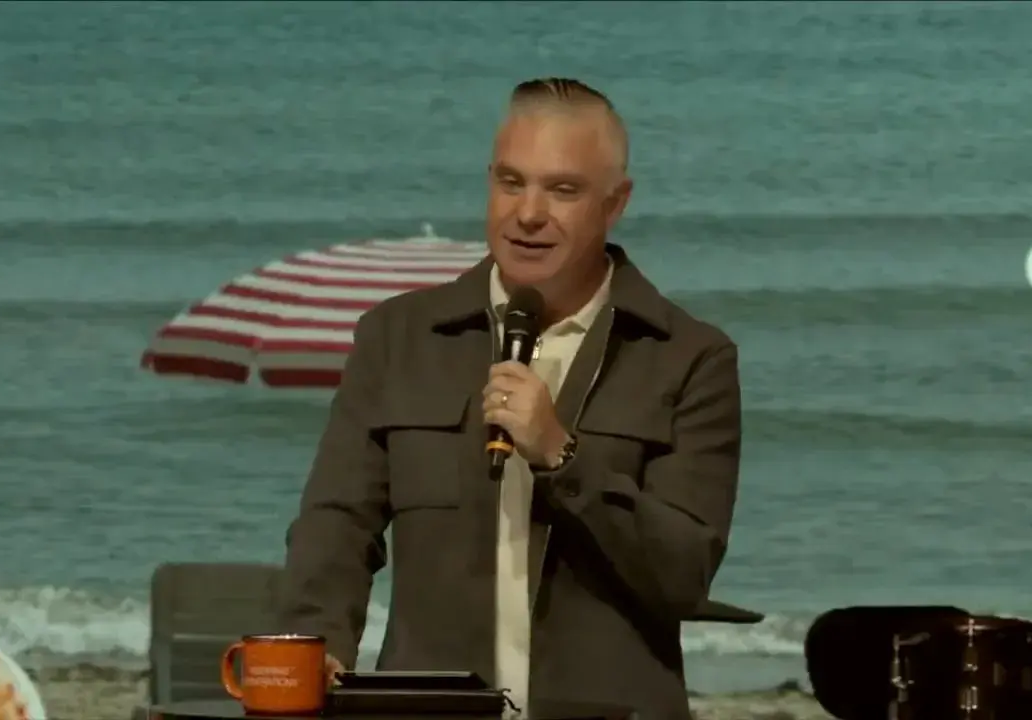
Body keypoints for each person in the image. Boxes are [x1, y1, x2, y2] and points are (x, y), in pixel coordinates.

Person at [279, 77, 742, 719]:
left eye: (563, 190)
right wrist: (319, 645)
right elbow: (337, 522)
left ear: (615, 203)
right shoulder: (400, 336)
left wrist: (562, 455)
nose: (528, 213)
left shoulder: (688, 356)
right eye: (510, 182)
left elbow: (685, 574)